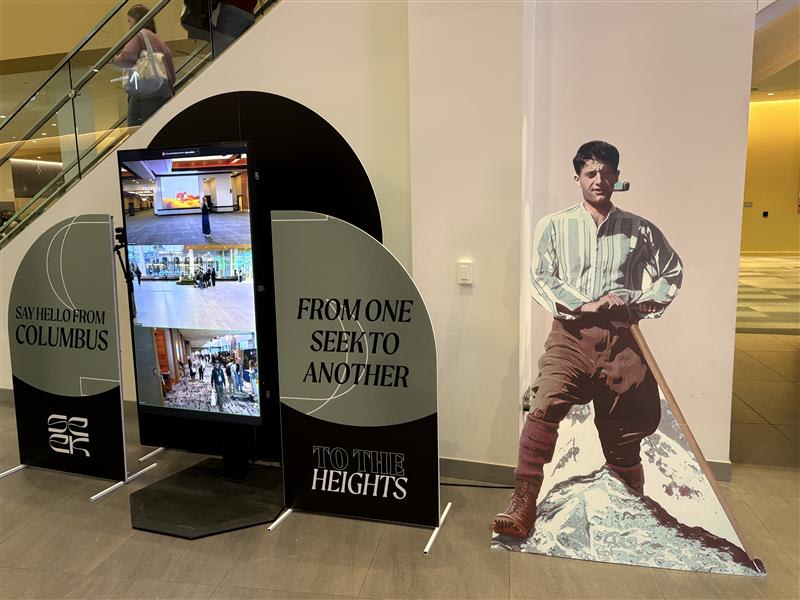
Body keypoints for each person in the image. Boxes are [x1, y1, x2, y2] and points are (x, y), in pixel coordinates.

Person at [492, 140, 683, 540]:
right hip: (571, 334)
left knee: (627, 422)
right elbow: (541, 277)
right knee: (546, 402)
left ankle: (630, 502)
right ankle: (523, 501)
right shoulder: (555, 226)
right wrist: (587, 304)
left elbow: (672, 272)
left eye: (606, 172)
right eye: (590, 173)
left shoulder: (639, 228)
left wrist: (637, 303)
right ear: (577, 177)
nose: (599, 180)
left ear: (617, 177)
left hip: (622, 339)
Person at [112, 4, 176, 126]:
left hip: (144, 96)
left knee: (136, 131)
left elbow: (126, 58)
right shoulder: (156, 38)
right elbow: (170, 67)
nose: (129, 26)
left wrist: (113, 59)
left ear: (137, 19)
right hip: (162, 93)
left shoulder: (139, 34)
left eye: (130, 21)